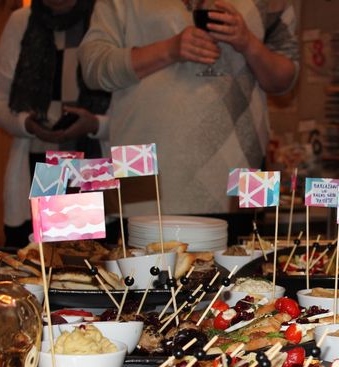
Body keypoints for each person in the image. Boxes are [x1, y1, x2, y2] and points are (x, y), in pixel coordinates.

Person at [78, 0, 299, 221]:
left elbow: (287, 80)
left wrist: (249, 43)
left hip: (246, 166)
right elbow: (92, 66)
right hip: (141, 167)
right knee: (137, 240)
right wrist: (169, 50)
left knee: (250, 241)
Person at [0, 0, 111, 247]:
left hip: (90, 168)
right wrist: (26, 124)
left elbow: (130, 107)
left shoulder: (105, 18)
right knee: (33, 261)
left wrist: (96, 124)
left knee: (85, 262)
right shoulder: (21, 21)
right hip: (35, 170)